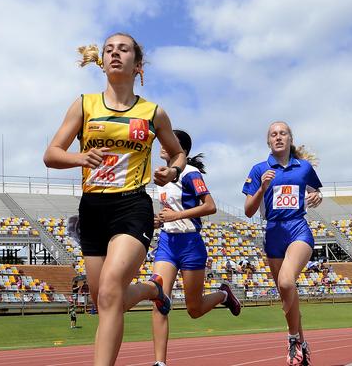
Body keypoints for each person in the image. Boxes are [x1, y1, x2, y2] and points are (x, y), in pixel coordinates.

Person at [43, 33, 186, 366]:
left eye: (123, 49)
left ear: (138, 66)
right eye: (109, 49)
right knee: (105, 301)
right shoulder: (84, 104)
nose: (115, 53)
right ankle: (153, 290)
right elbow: (51, 154)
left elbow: (177, 154)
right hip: (92, 209)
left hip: (132, 206)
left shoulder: (153, 113)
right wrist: (81, 158)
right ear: (103, 62)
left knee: (110, 289)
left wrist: (172, 171)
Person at [151, 130, 241, 366]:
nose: (163, 144)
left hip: (191, 244)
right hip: (167, 243)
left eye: (169, 141)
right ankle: (160, 363)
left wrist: (176, 215)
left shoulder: (191, 174)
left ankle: (223, 294)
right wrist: (160, 220)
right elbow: (170, 214)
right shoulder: (160, 178)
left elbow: (210, 206)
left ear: (183, 150)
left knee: (194, 309)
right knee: (159, 298)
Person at [243, 121, 322, 366]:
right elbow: (248, 211)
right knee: (286, 295)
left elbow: (315, 192)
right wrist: (262, 188)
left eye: (283, 133)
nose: (278, 137)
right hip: (273, 233)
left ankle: (291, 338)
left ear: (290, 139)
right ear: (268, 141)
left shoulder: (304, 167)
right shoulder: (259, 170)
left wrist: (318, 195)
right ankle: (302, 344)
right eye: (273, 134)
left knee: (287, 281)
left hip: (298, 228)